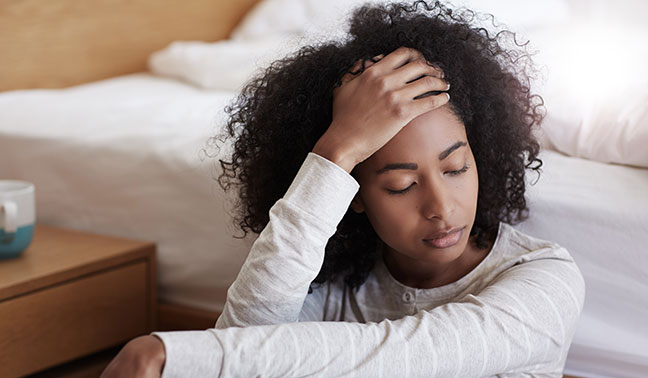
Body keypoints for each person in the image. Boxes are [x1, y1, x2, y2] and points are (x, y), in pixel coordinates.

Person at [101, 1, 585, 377]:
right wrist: (336, 152)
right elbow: (247, 343)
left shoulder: (545, 281)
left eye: (456, 168)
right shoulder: (336, 286)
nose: (441, 208)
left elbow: (405, 354)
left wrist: (179, 354)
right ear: (352, 193)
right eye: (401, 185)